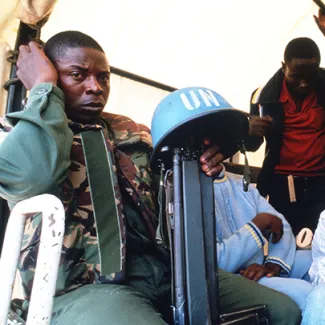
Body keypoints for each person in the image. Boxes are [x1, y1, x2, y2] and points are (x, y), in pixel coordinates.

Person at [0, 31, 302, 325]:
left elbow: (177, 186)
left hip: (167, 271)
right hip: (83, 288)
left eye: (103, 77)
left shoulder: (132, 131)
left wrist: (206, 158)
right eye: (77, 75)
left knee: (283, 312)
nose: (95, 87)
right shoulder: (24, 136)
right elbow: (33, 177)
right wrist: (43, 88)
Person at [244, 31, 325, 235]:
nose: (304, 84)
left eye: (311, 76)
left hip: (321, 184)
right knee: (284, 242)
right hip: (281, 185)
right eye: (296, 77)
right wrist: (249, 130)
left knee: (319, 246)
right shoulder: (262, 97)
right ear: (283, 67)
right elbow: (252, 145)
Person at [213, 165, 312, 311]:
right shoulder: (188, 188)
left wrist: (273, 263)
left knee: (314, 259)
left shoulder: (240, 182)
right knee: (307, 293)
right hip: (233, 279)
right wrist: (257, 227)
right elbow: (213, 263)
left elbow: (279, 223)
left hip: (259, 267)